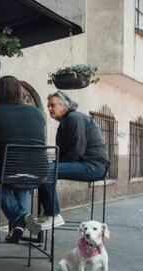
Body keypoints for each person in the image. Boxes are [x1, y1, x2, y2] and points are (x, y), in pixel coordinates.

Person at [0, 76, 46, 243]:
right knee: (22, 184)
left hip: (8, 170)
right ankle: (19, 227)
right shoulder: (36, 112)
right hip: (39, 172)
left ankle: (21, 216)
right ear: (20, 92)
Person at [37, 91, 109, 230]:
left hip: (94, 167)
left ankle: (54, 215)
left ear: (65, 105)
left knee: (45, 170)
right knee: (44, 169)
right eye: (48, 106)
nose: (49, 109)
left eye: (52, 105)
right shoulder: (67, 121)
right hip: (86, 164)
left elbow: (77, 150)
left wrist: (55, 165)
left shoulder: (74, 118)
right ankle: (48, 213)